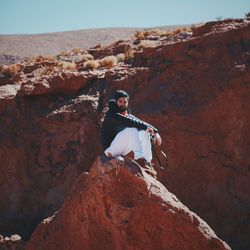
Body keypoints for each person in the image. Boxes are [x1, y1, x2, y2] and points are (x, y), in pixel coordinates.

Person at [100, 90, 162, 175]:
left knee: (144, 132)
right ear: (116, 101)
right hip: (110, 150)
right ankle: (139, 159)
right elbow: (130, 122)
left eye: (125, 102)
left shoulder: (126, 114)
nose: (123, 104)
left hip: (121, 149)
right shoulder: (112, 114)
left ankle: (147, 163)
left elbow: (139, 121)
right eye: (120, 101)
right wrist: (149, 128)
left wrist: (155, 132)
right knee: (132, 130)